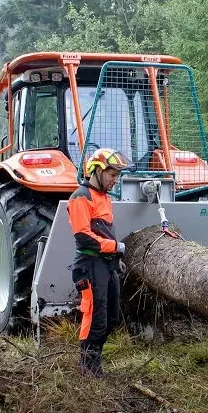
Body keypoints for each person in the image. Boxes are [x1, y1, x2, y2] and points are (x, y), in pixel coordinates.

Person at [67, 147, 134, 377]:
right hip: (90, 264)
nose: (116, 180)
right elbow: (84, 236)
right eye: (112, 175)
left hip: (107, 264)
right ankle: (89, 369)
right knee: (95, 316)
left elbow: (104, 232)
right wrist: (115, 247)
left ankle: (95, 365)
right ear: (96, 171)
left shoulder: (103, 197)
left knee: (111, 317)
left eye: (117, 175)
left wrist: (116, 257)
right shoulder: (80, 197)